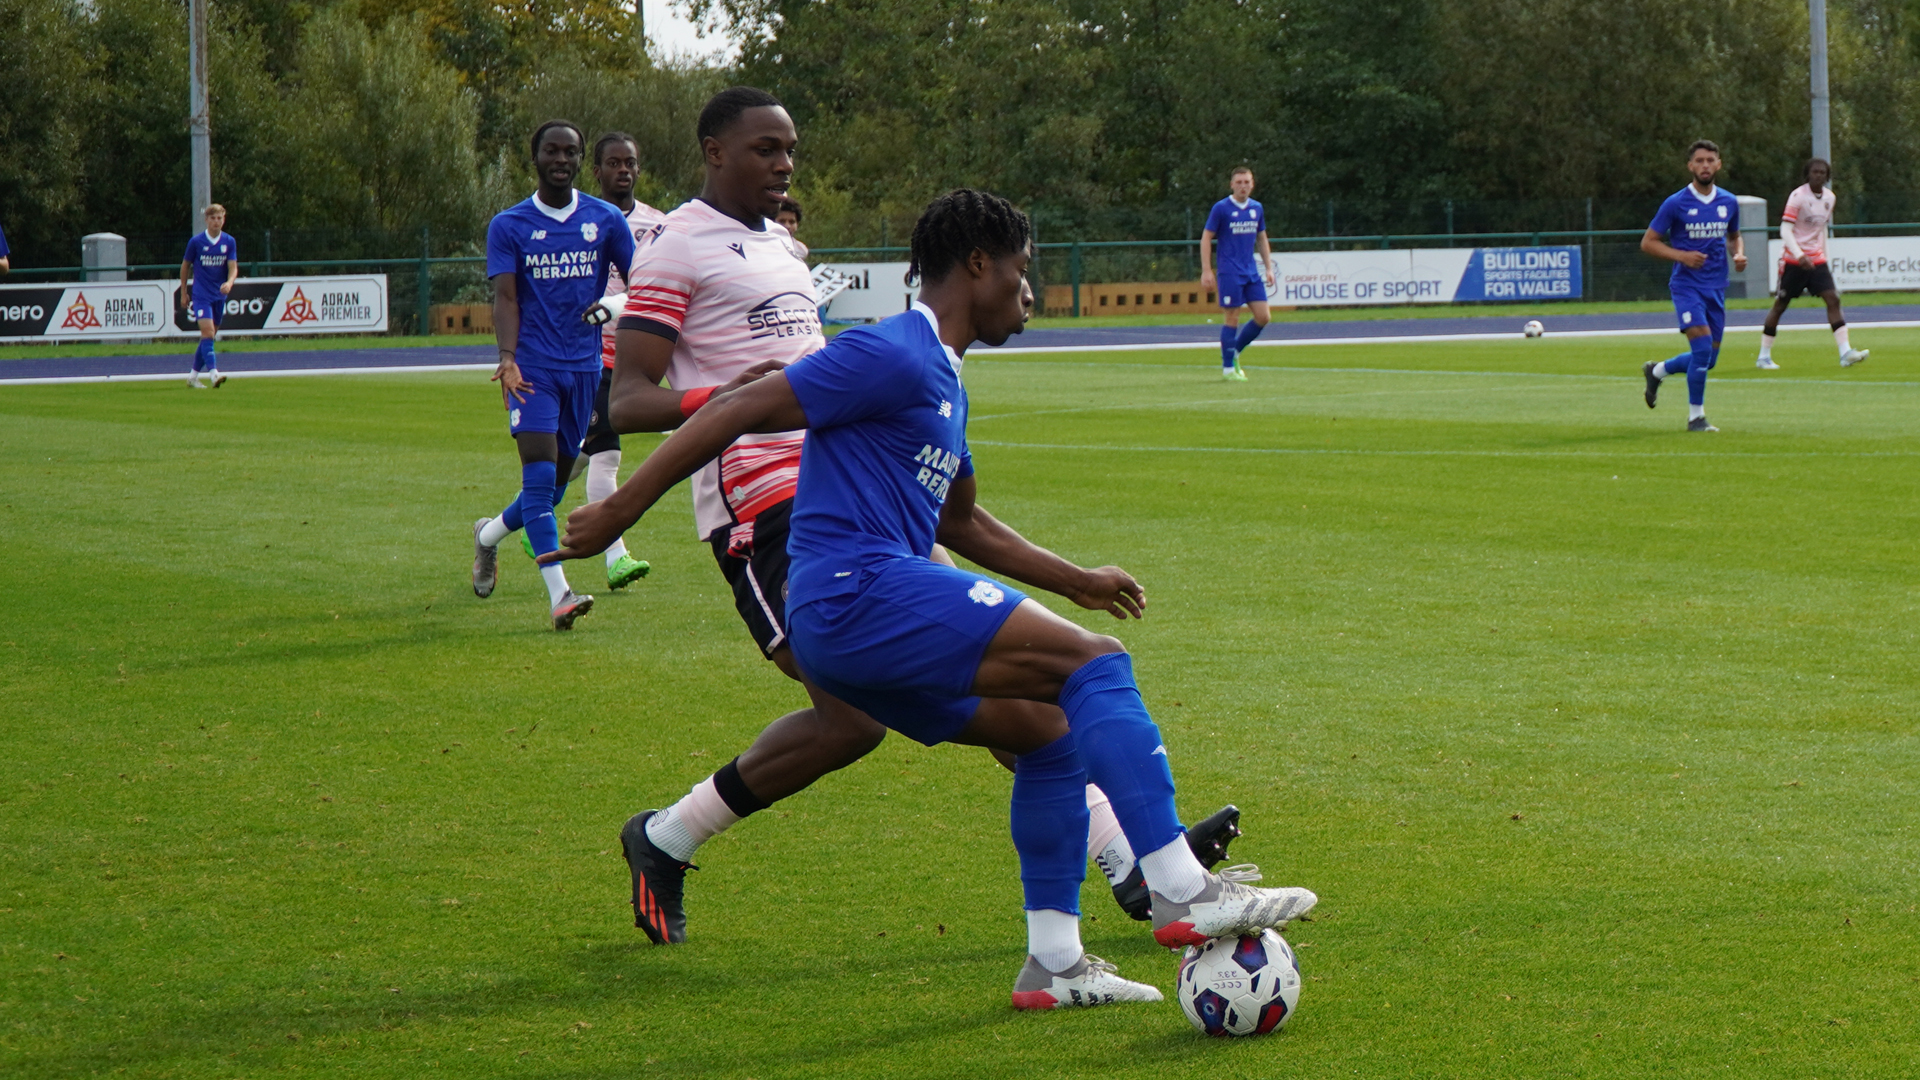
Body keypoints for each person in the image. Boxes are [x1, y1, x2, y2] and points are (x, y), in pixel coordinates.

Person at [555, 187, 1317, 1009]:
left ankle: (1054, 964)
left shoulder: (944, 382)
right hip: (855, 593)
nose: (1029, 295)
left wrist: (1079, 580)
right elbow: (743, 404)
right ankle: (1178, 885)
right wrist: (620, 509)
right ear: (979, 265)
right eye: (1021, 274)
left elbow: (966, 522)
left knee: (1048, 734)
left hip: (864, 610)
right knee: (1096, 665)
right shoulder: (893, 351)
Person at [468, 119, 637, 629]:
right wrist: (507, 356)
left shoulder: (605, 219)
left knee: (555, 489)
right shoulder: (510, 224)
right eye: (551, 151)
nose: (560, 159)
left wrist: (615, 302)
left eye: (570, 152)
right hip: (532, 368)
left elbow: (647, 283)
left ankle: (487, 536)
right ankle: (560, 594)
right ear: (535, 157)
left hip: (585, 368)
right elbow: (506, 296)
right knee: (540, 481)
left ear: (580, 160)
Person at [528, 131, 659, 592]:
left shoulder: (658, 225)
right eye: (614, 163)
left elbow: (652, 286)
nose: (624, 170)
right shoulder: (582, 218)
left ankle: (506, 527)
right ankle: (615, 558)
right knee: (605, 455)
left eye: (631, 162)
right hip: (586, 358)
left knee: (577, 458)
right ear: (597, 169)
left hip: (633, 356)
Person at [1640, 140, 1747, 433]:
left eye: (1710, 160)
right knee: (1700, 348)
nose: (1705, 165)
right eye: (1699, 161)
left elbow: (1734, 236)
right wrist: (1682, 256)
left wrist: (1737, 253)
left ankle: (1657, 370)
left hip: (1716, 286)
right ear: (1690, 166)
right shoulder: (1675, 203)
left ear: (1718, 164)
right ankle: (1696, 417)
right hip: (1686, 286)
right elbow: (1648, 242)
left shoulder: (1728, 202)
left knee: (1708, 360)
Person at [1757, 158, 1869, 371]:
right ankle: (1763, 356)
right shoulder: (1798, 197)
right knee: (1781, 305)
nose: (1818, 175)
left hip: (1816, 259)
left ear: (1827, 177)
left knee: (1833, 298)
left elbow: (1821, 230)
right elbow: (1785, 230)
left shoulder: (1830, 198)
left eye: (1822, 172)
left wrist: (1823, 257)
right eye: (1815, 172)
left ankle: (1845, 352)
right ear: (1807, 175)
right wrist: (1799, 255)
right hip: (1793, 260)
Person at [1199, 167, 1275, 381]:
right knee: (1232, 317)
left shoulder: (1256, 208)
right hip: (1229, 271)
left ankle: (1235, 351)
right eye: (1239, 182)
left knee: (1263, 316)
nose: (1243, 186)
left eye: (1247, 182)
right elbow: (1206, 237)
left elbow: (1261, 238)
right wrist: (1206, 270)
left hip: (1251, 271)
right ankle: (1228, 370)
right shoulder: (1221, 208)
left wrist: (1268, 267)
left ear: (1252, 184)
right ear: (1232, 185)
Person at [179, 204, 237, 389]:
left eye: (220, 218)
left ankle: (193, 377)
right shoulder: (196, 242)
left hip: (218, 296)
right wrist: (184, 292)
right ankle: (214, 375)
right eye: (213, 218)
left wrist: (229, 283)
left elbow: (233, 267)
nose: (216, 222)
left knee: (209, 338)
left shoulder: (229, 241)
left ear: (224, 219)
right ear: (207, 220)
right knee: (208, 333)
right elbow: (185, 266)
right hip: (201, 294)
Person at [775, 196, 808, 261]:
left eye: (792, 222)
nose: (787, 226)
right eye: (782, 221)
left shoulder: (801, 250)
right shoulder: (763, 246)